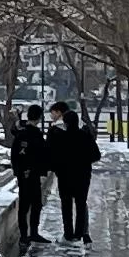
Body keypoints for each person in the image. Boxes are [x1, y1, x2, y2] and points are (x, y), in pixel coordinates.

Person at [50, 100, 102, 242]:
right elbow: (96, 155)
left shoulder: (61, 137)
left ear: (65, 122)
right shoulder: (85, 136)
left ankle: (68, 233)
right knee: (80, 203)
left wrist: (58, 168)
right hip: (83, 175)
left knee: (66, 205)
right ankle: (80, 232)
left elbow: (54, 156)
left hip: (65, 176)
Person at [4, 106, 50, 252]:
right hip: (33, 174)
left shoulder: (20, 133)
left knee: (25, 205)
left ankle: (25, 235)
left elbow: (15, 154)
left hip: (24, 174)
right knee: (35, 204)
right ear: (39, 118)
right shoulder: (36, 134)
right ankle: (32, 233)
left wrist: (18, 171)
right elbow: (42, 154)